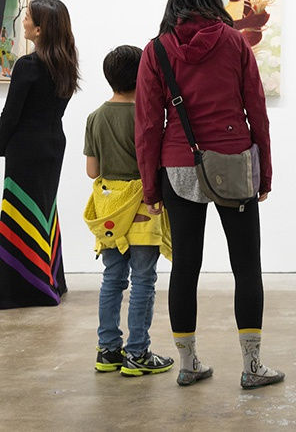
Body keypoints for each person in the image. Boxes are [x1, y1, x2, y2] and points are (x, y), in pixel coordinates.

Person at [135, 0, 284, 389]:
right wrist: (264, 172)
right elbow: (257, 111)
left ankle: (188, 364)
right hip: (234, 162)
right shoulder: (235, 43)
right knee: (246, 265)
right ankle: (252, 366)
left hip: (178, 166)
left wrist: (150, 187)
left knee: (185, 267)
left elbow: (147, 125)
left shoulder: (156, 50)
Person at [84, 45, 174, 376]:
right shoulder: (147, 116)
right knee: (143, 280)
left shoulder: (95, 117)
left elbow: (92, 171)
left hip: (110, 211)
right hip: (143, 207)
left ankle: (108, 350)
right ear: (143, 76)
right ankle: (137, 353)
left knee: (112, 278)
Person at [0, 0, 79, 308]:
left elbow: (11, 116)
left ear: (40, 29)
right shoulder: (65, 64)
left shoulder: (28, 65)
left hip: (26, 148)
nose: (24, 21)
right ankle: (50, 279)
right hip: (53, 144)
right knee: (43, 210)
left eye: (29, 17)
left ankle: (25, 288)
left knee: (18, 211)